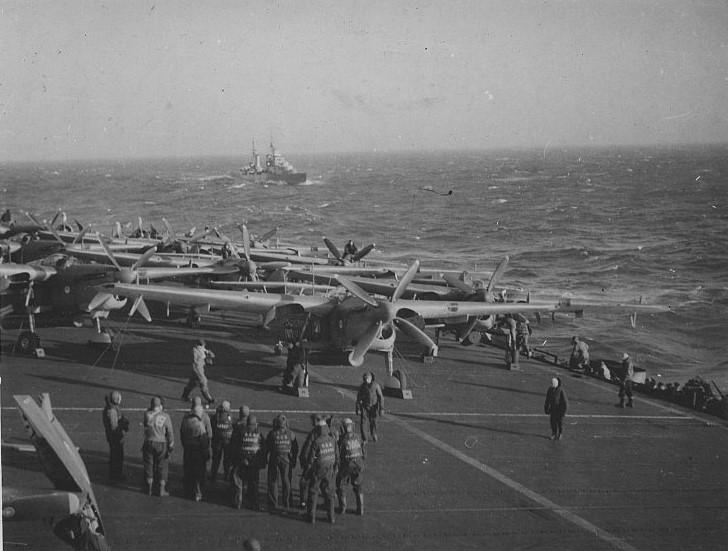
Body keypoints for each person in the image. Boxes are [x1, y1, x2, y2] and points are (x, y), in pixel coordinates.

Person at [302, 415, 339, 524]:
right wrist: (336, 466)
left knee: (313, 491)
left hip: (318, 468)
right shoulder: (332, 440)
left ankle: (311, 516)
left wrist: (308, 469)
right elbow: (337, 456)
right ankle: (331, 517)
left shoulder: (317, 441)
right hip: (329, 468)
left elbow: (312, 458)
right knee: (329, 493)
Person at [265, 414, 299, 511]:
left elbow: (267, 447)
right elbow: (295, 448)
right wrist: (293, 459)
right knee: (286, 481)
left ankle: (273, 503)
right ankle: (287, 502)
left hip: (274, 458)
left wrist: (265, 458)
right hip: (286, 459)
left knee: (273, 480)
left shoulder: (272, 434)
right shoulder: (291, 434)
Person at [142, 396, 174, 496]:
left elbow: (146, 425)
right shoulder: (166, 416)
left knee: (149, 465)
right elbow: (170, 433)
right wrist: (171, 446)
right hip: (161, 443)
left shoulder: (147, 414)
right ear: (160, 405)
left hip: (149, 442)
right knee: (163, 465)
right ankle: (161, 488)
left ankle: (149, 488)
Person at [232, 415, 266, 510]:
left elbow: (236, 447)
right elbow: (263, 449)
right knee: (254, 485)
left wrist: (238, 460)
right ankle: (253, 503)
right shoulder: (259, 434)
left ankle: (238, 502)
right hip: (254, 463)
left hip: (242, 461)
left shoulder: (241, 432)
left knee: (239, 484)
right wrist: (261, 463)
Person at [180, 404, 211, 501]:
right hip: (198, 452)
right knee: (198, 473)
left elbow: (182, 434)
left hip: (188, 449)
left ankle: (187, 491)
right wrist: (206, 454)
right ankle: (198, 492)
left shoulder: (185, 421)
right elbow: (204, 440)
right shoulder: (199, 424)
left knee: (188, 471)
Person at [336, 418, 365, 516]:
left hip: (347, 465)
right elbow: (362, 451)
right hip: (358, 464)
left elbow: (338, 454)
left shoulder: (341, 439)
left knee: (341, 485)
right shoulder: (358, 437)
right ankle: (360, 508)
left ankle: (343, 507)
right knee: (358, 486)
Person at [102, 390, 129, 482]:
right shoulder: (112, 411)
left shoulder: (110, 409)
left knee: (115, 456)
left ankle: (115, 475)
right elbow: (114, 427)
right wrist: (123, 426)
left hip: (112, 437)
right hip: (116, 438)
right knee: (117, 457)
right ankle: (116, 476)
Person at [181, 339, 215, 406]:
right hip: (197, 369)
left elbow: (212, 355)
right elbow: (196, 361)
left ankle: (184, 396)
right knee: (203, 381)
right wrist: (206, 357)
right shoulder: (195, 350)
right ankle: (209, 399)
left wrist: (209, 355)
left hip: (198, 369)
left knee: (192, 383)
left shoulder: (202, 350)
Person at [297, 413, 318, 510]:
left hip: (312, 462)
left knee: (304, 482)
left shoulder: (313, 434)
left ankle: (303, 502)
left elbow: (307, 449)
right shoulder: (329, 433)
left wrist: (303, 460)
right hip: (325, 462)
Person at [210, 400, 234, 482]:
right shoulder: (230, 417)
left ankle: (213, 475)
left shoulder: (216, 417)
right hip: (227, 442)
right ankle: (226, 475)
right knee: (227, 460)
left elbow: (211, 425)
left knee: (216, 459)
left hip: (217, 441)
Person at [356, 372, 384, 442]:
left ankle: (373, 434)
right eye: (364, 379)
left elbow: (381, 397)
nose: (365, 380)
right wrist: (358, 408)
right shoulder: (362, 387)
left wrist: (381, 408)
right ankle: (365, 438)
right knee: (363, 423)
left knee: (374, 421)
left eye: (366, 379)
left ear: (370, 379)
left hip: (374, 407)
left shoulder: (376, 385)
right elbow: (358, 398)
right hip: (365, 407)